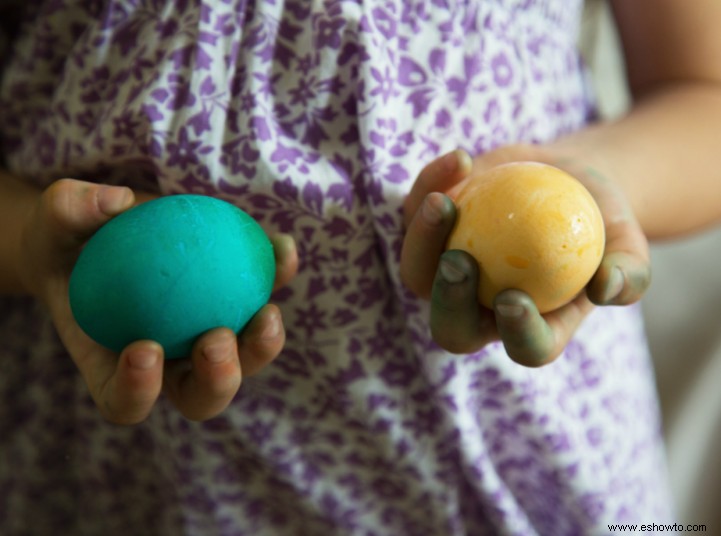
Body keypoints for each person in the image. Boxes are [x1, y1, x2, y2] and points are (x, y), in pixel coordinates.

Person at [1, 1, 719, 534]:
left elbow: (704, 97)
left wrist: (582, 184)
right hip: (142, 466)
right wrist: (31, 244)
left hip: (524, 438)